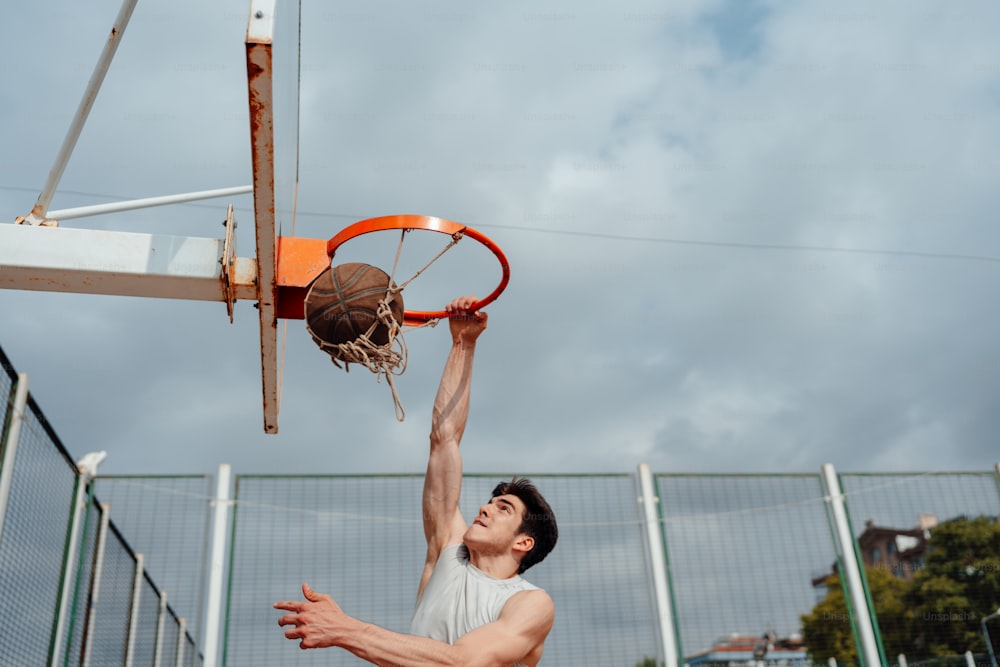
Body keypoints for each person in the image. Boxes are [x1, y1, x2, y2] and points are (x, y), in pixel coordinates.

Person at [274, 295, 559, 666]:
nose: (486, 508)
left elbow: (463, 662)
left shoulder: (529, 603)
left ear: (524, 541)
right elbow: (445, 441)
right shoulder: (448, 548)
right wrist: (463, 343)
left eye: (504, 508)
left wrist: (345, 629)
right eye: (491, 501)